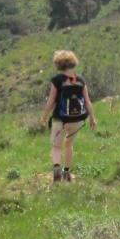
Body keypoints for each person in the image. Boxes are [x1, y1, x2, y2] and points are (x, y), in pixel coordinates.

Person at [42, 50, 96, 182]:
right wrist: (92, 119)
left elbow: (51, 100)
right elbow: (88, 101)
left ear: (58, 64)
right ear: (73, 62)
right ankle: (67, 173)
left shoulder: (57, 80)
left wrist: (44, 116)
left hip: (60, 119)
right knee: (68, 145)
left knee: (56, 146)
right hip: (77, 119)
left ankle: (56, 170)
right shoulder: (81, 80)